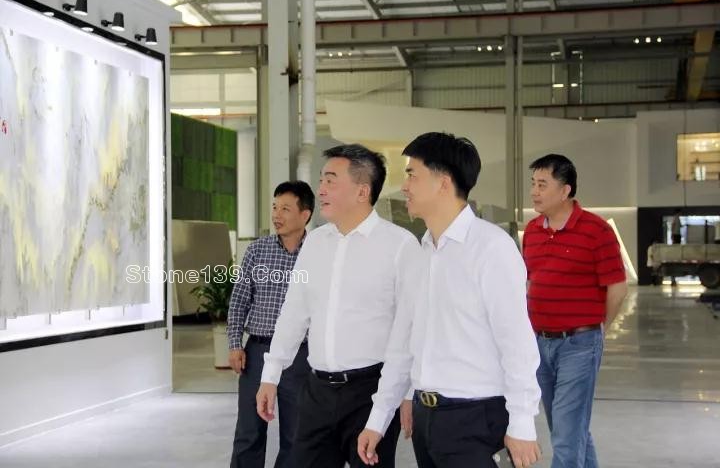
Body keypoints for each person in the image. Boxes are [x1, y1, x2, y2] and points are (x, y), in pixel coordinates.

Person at [357, 132, 542, 468]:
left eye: (412, 175)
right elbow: (402, 345)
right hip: (426, 420)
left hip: (476, 419)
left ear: (443, 183)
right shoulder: (421, 254)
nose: (405, 186)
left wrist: (522, 422)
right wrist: (378, 418)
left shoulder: (491, 248)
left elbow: (516, 343)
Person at [256, 145, 423, 468]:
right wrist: (271, 375)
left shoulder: (400, 246)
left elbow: (413, 329)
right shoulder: (316, 242)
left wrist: (406, 392)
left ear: (362, 191)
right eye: (321, 180)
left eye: (331, 181)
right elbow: (294, 313)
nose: (321, 189)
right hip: (316, 392)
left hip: (371, 392)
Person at [523, 154, 627, 468]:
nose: (534, 192)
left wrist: (597, 331)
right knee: (567, 428)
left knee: (567, 436)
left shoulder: (596, 231)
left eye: (543, 185)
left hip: (579, 345)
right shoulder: (532, 231)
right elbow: (530, 282)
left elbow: (617, 289)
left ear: (565, 190)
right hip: (540, 344)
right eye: (533, 184)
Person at [227, 181, 315, 468]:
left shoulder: (318, 253)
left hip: (299, 357)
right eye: (275, 207)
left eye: (285, 209)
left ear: (305, 215)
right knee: (248, 433)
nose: (276, 214)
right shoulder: (257, 250)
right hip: (257, 352)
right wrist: (235, 344)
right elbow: (239, 300)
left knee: (295, 436)